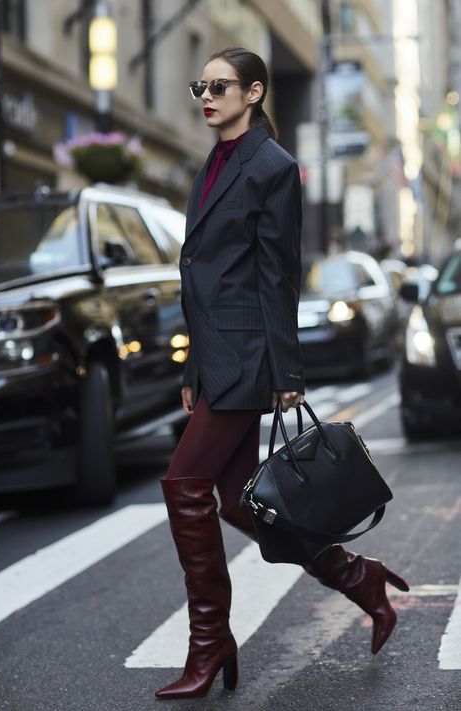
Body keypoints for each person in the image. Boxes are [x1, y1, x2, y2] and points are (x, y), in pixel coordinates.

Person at [156, 46, 409, 701]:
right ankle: (360, 579)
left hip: (248, 355)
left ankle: (209, 642)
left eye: (220, 85)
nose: (206, 96)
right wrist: (193, 364)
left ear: (255, 91)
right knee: (240, 500)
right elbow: (200, 272)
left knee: (185, 484)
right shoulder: (214, 162)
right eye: (200, 85)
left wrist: (286, 369)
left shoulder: (272, 166)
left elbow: (277, 274)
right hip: (218, 358)